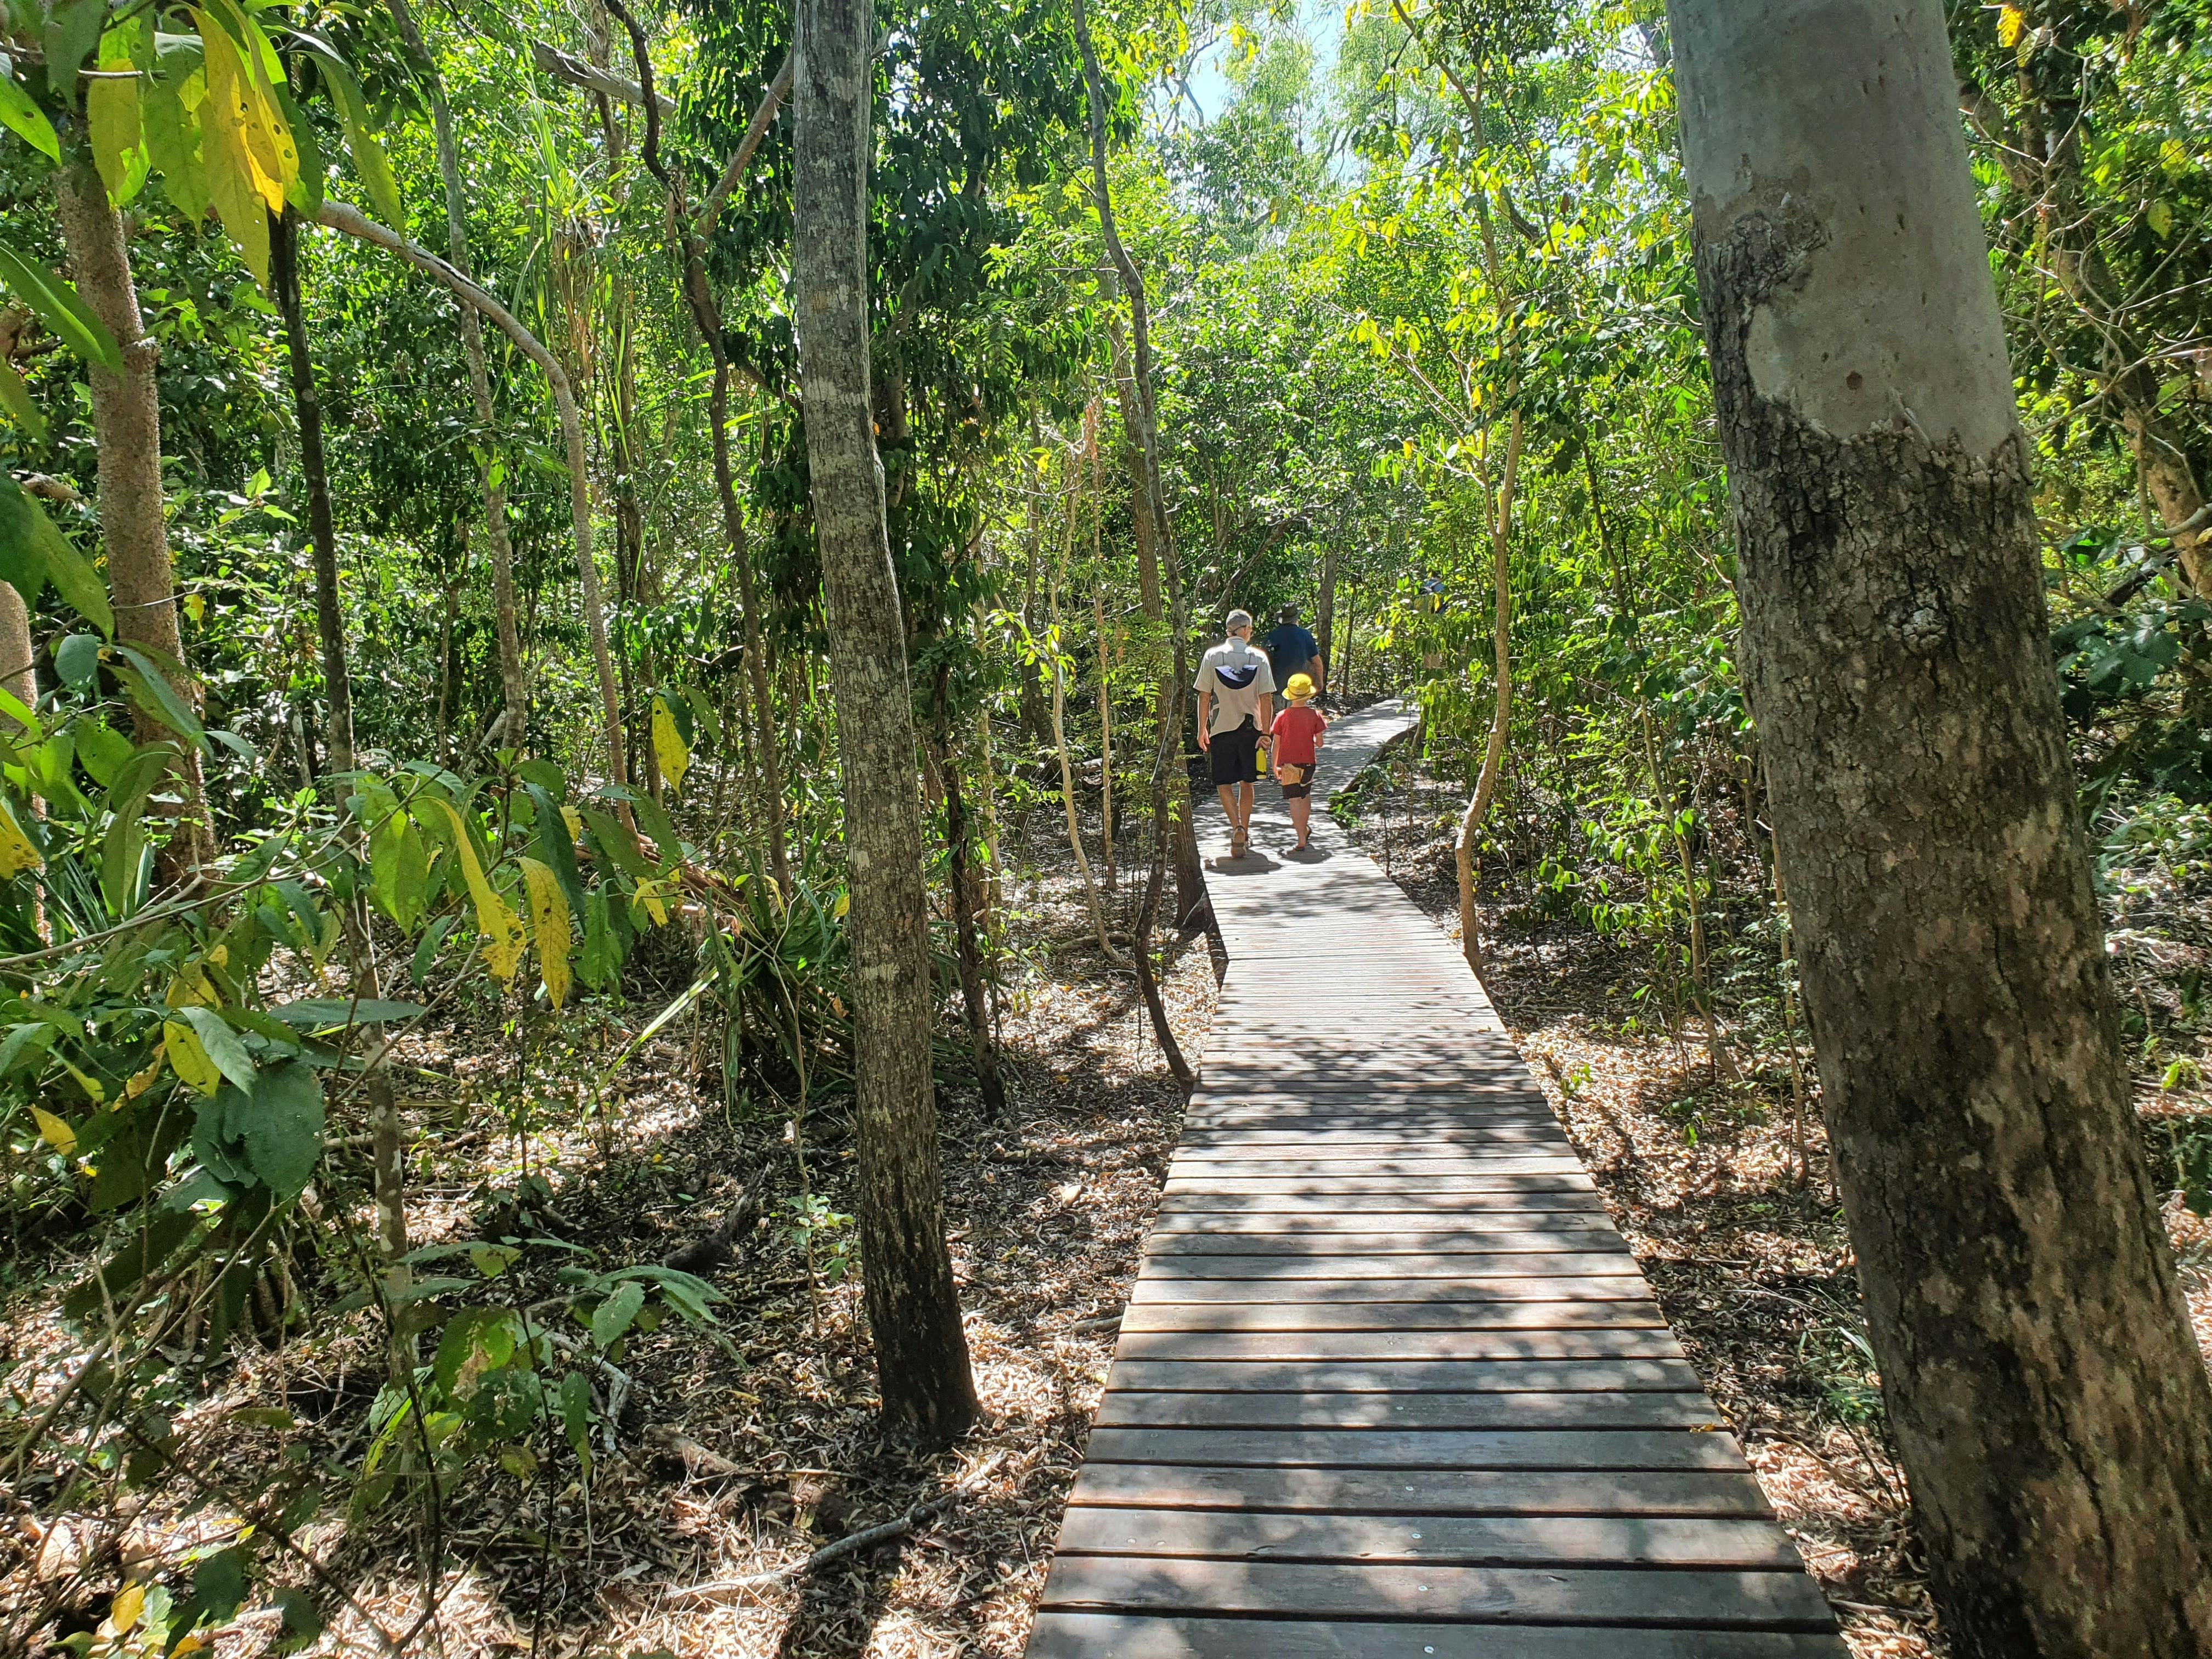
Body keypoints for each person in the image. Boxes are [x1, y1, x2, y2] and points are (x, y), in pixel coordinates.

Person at [1194, 609, 1276, 859]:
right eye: (1250, 629)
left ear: (1229, 631)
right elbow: (1266, 698)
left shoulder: (1212, 656)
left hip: (1221, 729)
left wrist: (1202, 729)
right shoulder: (1259, 657)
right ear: (1245, 630)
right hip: (1251, 730)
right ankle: (1246, 829)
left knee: (1223, 782)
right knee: (1247, 782)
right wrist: (1266, 732)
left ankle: (1236, 827)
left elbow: (1204, 695)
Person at [1271, 673, 1328, 851]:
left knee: (1294, 800)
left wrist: (1274, 765)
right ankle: (1304, 829)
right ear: (1308, 695)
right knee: (1305, 796)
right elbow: (1320, 743)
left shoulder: (1282, 716)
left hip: (1288, 764)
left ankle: (1301, 837)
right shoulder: (1315, 715)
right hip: (1309, 763)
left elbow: (1276, 743)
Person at [1263, 604, 1323, 705]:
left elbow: (1264, 663)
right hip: (1300, 691)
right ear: (1296, 619)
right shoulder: (1305, 635)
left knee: (1280, 719)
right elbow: (1317, 663)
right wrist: (1319, 684)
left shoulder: (1271, 635)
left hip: (1277, 690)